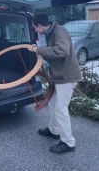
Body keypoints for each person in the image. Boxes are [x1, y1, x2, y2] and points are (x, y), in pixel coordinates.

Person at [28, 13, 81, 154]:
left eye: (34, 27)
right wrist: (37, 47)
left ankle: (68, 143)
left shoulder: (60, 31)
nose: (34, 30)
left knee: (60, 109)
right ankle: (54, 130)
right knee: (52, 104)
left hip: (67, 77)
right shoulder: (50, 32)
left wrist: (38, 50)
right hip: (59, 77)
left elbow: (62, 50)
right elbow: (48, 49)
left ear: (40, 25)